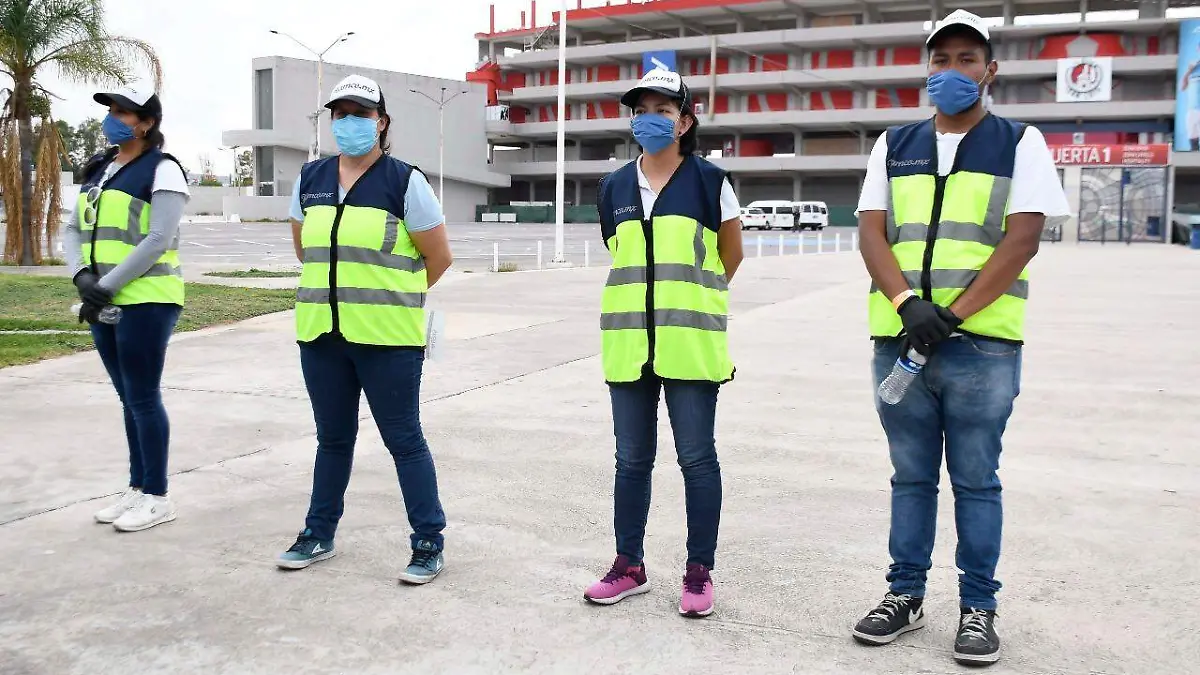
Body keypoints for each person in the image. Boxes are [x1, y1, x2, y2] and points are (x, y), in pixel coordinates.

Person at [851, 10, 1070, 666]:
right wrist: (905, 302)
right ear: (928, 70)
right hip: (899, 340)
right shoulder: (894, 144)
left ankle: (978, 606)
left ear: (990, 71)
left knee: (976, 479)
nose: (952, 71)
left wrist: (952, 313)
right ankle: (905, 596)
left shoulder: (1019, 142)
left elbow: (1022, 237)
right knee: (911, 477)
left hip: (981, 346)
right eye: (940, 59)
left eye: (967, 59)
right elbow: (871, 231)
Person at [275, 74, 454, 585]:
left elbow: (437, 257)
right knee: (333, 439)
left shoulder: (404, 181)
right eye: (340, 114)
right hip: (321, 334)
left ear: (381, 122)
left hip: (386, 339)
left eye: (360, 113)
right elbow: (304, 250)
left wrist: (394, 299)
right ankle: (318, 533)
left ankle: (428, 542)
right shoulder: (309, 179)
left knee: (404, 439)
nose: (349, 123)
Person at [583, 69, 744, 619]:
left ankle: (699, 572)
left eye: (661, 107)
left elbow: (731, 257)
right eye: (640, 108)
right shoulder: (613, 187)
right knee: (631, 460)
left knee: (697, 460)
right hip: (629, 345)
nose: (648, 117)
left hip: (691, 345)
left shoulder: (710, 182)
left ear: (685, 120)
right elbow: (619, 254)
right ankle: (628, 565)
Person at [62, 85, 190, 532]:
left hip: (147, 300)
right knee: (128, 397)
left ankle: (157, 496)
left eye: (124, 112)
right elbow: (73, 227)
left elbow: (158, 239)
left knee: (143, 395)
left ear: (147, 123)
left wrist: (106, 286)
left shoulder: (163, 170)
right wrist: (82, 276)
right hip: (103, 298)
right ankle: (137, 487)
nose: (113, 118)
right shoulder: (99, 169)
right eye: (111, 110)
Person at [1178, 41, 1200, 151]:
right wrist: (1188, 71)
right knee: (1193, 140)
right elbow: (1182, 87)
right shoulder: (1193, 65)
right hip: (1192, 110)